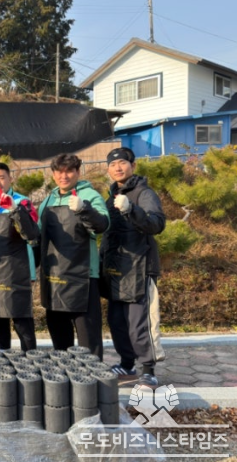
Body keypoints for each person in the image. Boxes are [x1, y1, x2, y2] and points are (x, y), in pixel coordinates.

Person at [100, 147, 166, 387]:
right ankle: (127, 364)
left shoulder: (144, 193)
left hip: (140, 267)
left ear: (133, 165)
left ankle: (148, 369)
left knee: (140, 322)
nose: (117, 168)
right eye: (112, 164)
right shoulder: (110, 197)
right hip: (117, 270)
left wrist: (131, 209)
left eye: (122, 163)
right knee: (117, 321)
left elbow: (156, 224)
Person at [37, 154, 109, 359]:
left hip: (83, 276)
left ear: (78, 172)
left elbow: (103, 225)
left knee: (88, 335)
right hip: (54, 277)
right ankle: (65, 373)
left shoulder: (90, 195)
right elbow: (38, 234)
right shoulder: (48, 200)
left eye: (69, 171)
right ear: (53, 174)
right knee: (59, 334)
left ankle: (93, 374)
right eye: (59, 172)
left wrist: (84, 209)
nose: (64, 176)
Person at [0, 162, 40, 352]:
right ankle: (3, 356)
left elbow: (31, 234)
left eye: (2, 178)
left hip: (17, 271)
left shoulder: (23, 202)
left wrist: (14, 209)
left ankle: (31, 358)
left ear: (10, 179)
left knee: (21, 319)